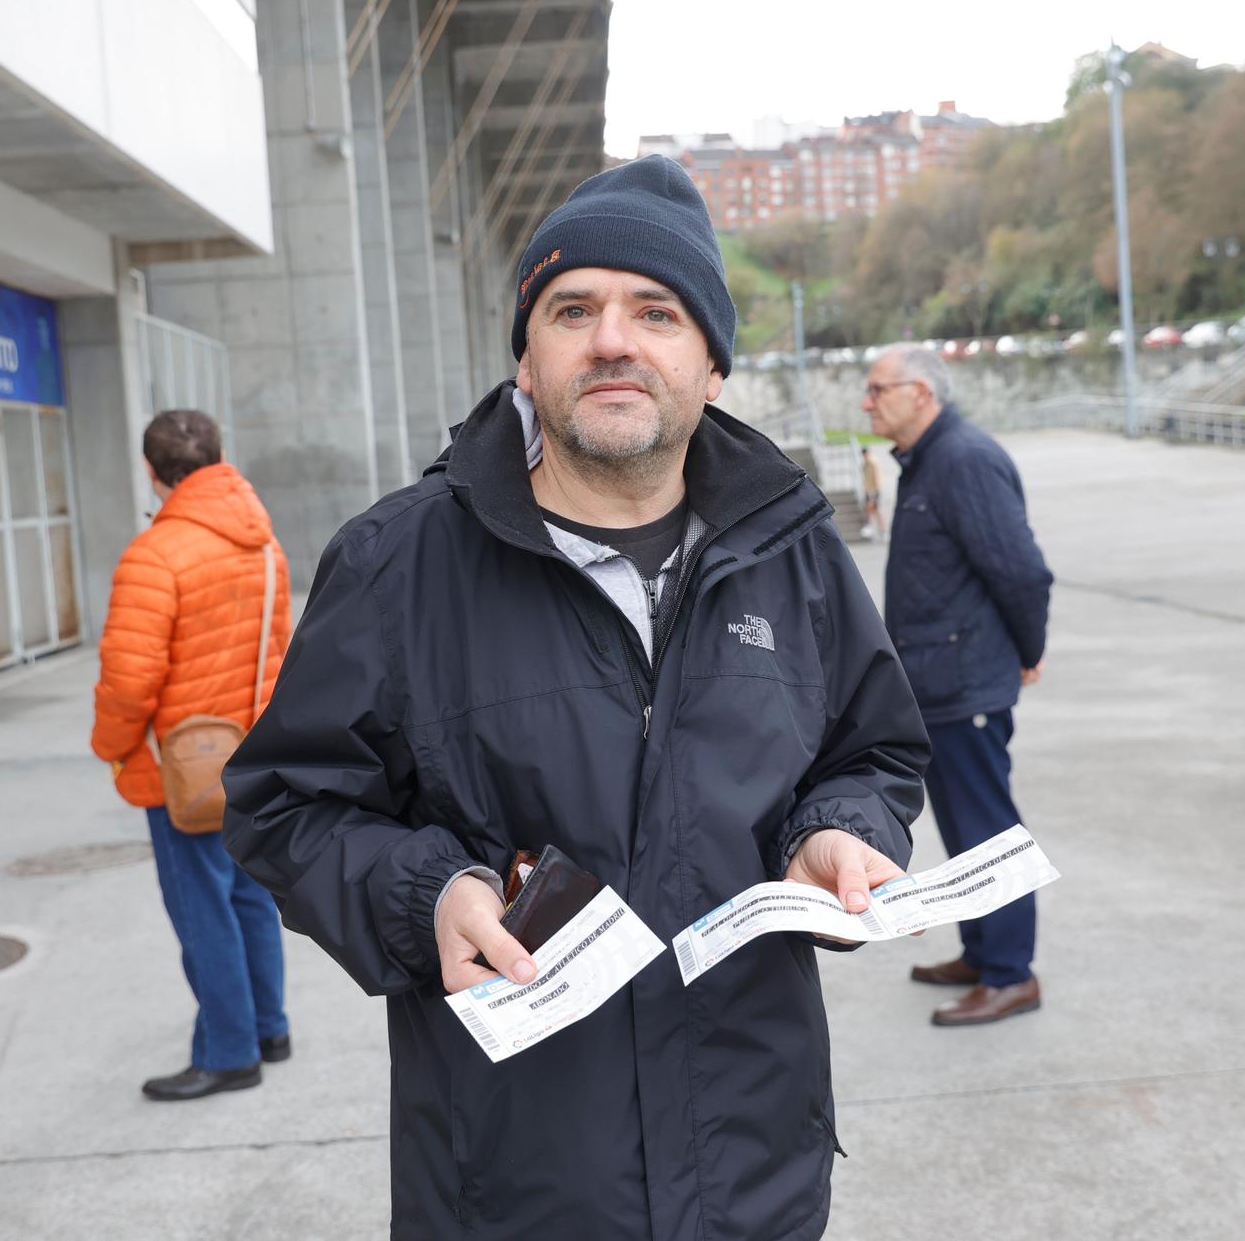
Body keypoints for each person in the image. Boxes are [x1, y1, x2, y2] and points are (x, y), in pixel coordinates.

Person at [223, 156, 929, 1238]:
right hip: (511, 1189)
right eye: (572, 309)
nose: (612, 339)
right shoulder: (396, 563)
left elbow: (870, 751)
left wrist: (837, 830)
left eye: (655, 310)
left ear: (710, 365)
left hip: (754, 1181)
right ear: (525, 356)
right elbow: (284, 806)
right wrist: (429, 894)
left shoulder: (794, 551)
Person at [90, 410, 294, 1098]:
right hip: (254, 752)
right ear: (218, 457)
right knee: (249, 893)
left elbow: (128, 678)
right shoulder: (263, 542)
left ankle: (228, 1050)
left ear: (151, 469)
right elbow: (279, 652)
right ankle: (270, 1026)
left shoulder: (154, 553)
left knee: (202, 907)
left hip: (183, 769)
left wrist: (112, 748)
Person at [863, 348, 1054, 1026]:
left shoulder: (964, 459)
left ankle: (1011, 973)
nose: (867, 401)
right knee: (962, 829)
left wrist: (1028, 650)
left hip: (968, 683)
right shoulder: (929, 461)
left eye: (878, 388)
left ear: (920, 391)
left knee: (988, 830)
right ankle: (982, 951)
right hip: (938, 684)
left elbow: (1022, 571)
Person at [860, 443, 885, 540]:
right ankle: (876, 529)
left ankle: (879, 529)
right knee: (872, 510)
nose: (865, 456)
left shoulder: (873, 463)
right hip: (869, 491)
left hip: (874, 491)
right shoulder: (866, 463)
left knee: (873, 510)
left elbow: (877, 478)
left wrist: (874, 493)